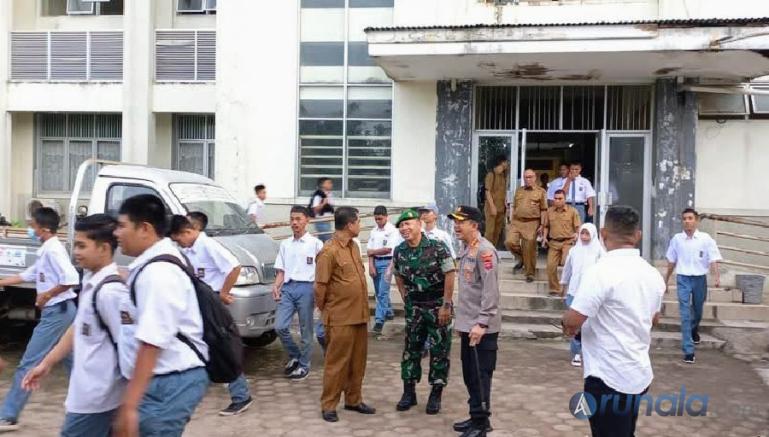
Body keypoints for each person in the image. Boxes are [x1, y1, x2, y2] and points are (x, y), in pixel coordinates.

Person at [562, 206, 665, 437]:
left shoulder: (600, 272)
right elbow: (654, 318)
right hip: (638, 372)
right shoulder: (653, 275)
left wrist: (566, 323)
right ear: (637, 235)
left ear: (603, 234)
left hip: (607, 376)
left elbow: (573, 321)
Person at [22, 214, 127, 437]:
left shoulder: (111, 293)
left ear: (104, 248)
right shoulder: (92, 281)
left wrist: (130, 404)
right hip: (87, 396)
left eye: (82, 246)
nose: (76, 252)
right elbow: (78, 327)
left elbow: (131, 351)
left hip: (99, 400)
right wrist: (47, 363)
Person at [113, 194, 209, 436]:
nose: (116, 233)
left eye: (122, 226)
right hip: (158, 380)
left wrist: (130, 406)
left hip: (168, 383)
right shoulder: (150, 266)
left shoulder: (158, 273)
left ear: (145, 228)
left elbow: (152, 341)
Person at [0, 207, 79, 431]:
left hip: (57, 312)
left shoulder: (53, 250)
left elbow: (71, 278)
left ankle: (7, 416)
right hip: (62, 312)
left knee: (29, 362)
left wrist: (47, 294)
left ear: (44, 229)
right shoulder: (46, 249)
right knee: (74, 363)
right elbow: (27, 275)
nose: (30, 230)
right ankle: (95, 407)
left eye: (33, 226)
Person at [168, 214, 252, 416]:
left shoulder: (208, 245)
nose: (178, 243)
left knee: (221, 348)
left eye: (179, 238)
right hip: (197, 301)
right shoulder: (188, 248)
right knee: (199, 346)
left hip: (211, 301)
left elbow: (234, 267)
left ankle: (241, 395)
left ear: (187, 232)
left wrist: (223, 293)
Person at [392, 209, 456, 415]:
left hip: (437, 306)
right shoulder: (400, 250)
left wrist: (446, 304)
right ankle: (408, 393)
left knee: (439, 351)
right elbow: (398, 275)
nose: (404, 229)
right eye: (401, 226)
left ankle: (435, 394)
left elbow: (449, 273)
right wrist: (405, 297)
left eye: (408, 224)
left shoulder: (437, 247)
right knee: (411, 350)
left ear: (420, 224)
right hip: (415, 308)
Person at [315, 207, 375, 422]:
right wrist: (327, 310)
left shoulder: (354, 247)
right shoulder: (328, 251)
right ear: (349, 225)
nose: (360, 225)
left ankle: (353, 400)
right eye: (358, 222)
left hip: (359, 315)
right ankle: (329, 405)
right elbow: (320, 288)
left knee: (357, 362)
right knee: (337, 363)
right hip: (340, 317)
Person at [449, 206, 500, 437]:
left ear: (474, 225)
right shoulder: (466, 248)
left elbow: (490, 292)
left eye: (461, 221)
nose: (456, 226)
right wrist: (463, 324)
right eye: (455, 221)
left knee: (481, 377)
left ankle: (481, 425)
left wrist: (481, 323)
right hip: (468, 325)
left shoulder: (485, 251)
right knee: (470, 375)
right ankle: (475, 416)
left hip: (481, 328)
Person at [272, 206, 325, 380]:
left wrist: (319, 293)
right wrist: (276, 286)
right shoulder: (285, 244)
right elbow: (281, 270)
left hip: (307, 288)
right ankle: (296, 355)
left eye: (298, 219)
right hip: (288, 288)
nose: (294, 222)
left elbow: (321, 272)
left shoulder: (316, 244)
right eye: (292, 219)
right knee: (280, 326)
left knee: (306, 330)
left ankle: (304, 365)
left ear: (306, 220)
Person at [664, 208, 722, 364]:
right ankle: (688, 350)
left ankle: (694, 328)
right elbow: (671, 261)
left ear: (696, 221)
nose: (687, 221)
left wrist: (716, 277)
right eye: (684, 218)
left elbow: (713, 258)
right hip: (683, 278)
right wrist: (666, 279)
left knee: (697, 310)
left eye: (690, 218)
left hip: (699, 279)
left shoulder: (705, 238)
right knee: (685, 314)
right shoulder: (677, 239)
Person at [560, 223, 605, 367]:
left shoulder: (599, 252)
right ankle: (577, 352)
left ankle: (592, 352)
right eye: (582, 234)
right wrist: (564, 285)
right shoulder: (574, 251)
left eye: (587, 234)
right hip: (574, 292)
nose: (584, 237)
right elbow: (567, 270)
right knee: (575, 324)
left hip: (591, 293)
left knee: (591, 325)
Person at [504, 169, 547, 282]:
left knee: (529, 247)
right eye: (525, 177)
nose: (527, 179)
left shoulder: (541, 191)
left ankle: (530, 273)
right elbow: (514, 206)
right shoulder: (519, 190)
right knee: (509, 242)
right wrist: (510, 219)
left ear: (535, 177)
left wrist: (542, 225)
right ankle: (522, 258)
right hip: (517, 221)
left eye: (530, 177)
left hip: (532, 222)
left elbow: (543, 209)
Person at [543, 190, 581, 297]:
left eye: (560, 198)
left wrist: (577, 235)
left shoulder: (572, 211)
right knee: (550, 266)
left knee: (566, 263)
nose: (557, 200)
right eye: (555, 198)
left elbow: (578, 227)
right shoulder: (549, 211)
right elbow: (546, 226)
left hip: (567, 242)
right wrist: (544, 237)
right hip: (554, 243)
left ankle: (569, 289)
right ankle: (555, 289)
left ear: (565, 199)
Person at [367, 206, 398, 335]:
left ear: (386, 217)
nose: (378, 221)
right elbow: (369, 251)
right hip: (376, 261)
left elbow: (389, 249)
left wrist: (373, 251)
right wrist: (371, 265)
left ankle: (379, 320)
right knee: (379, 290)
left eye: (380, 218)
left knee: (382, 292)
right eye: (376, 219)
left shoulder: (392, 231)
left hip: (387, 262)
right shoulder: (374, 231)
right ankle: (389, 311)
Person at [483, 155, 509, 247]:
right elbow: (487, 192)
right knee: (490, 231)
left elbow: (503, 192)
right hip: (491, 208)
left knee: (497, 232)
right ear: (501, 162)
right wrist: (492, 207)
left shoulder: (503, 176)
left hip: (501, 208)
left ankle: (492, 251)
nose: (507, 164)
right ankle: (486, 251)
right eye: (506, 162)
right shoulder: (491, 175)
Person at [310, 178, 335, 242]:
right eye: (328, 183)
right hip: (321, 221)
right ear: (323, 185)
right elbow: (315, 209)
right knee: (327, 241)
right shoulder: (318, 195)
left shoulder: (329, 194)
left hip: (327, 221)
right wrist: (323, 203)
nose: (331, 184)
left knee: (325, 241)